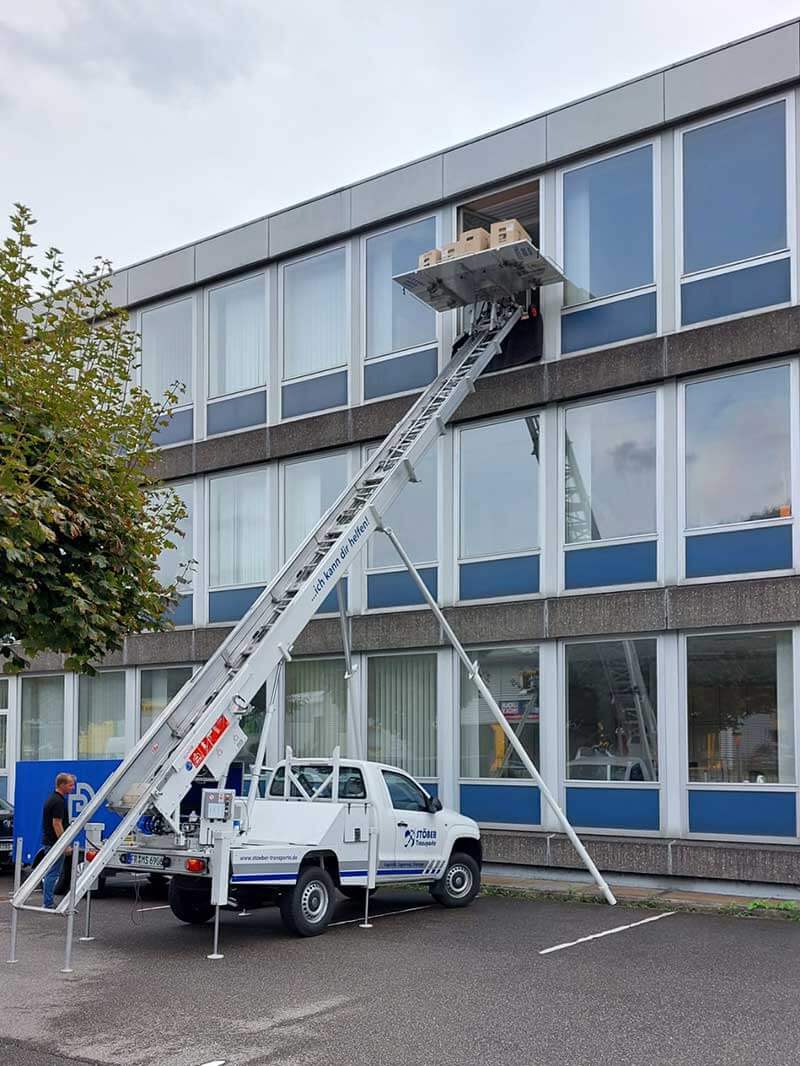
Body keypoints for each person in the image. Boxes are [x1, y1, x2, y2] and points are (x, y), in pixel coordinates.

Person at [41, 772, 76, 909]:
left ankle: (48, 901)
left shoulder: (52, 798)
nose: (72, 788)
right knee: (53, 873)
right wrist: (64, 844)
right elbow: (57, 823)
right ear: (61, 785)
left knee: (52, 872)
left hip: (50, 841)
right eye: (70, 785)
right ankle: (48, 903)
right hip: (54, 843)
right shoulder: (58, 801)